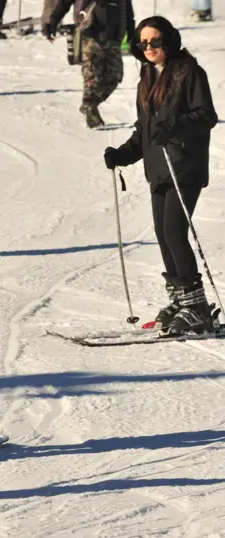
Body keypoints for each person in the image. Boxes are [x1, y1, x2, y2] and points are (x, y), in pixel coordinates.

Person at [104, 16, 218, 334]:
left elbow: (206, 115)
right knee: (163, 235)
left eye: (155, 41)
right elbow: (146, 131)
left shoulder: (188, 71)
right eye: (144, 43)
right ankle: (183, 301)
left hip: (184, 166)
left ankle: (196, 307)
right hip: (158, 168)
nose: (149, 47)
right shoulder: (148, 76)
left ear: (169, 39)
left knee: (174, 233)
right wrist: (123, 154)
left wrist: (177, 126)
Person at [44, 0, 135, 128]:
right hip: (90, 33)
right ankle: (90, 110)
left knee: (114, 77)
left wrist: (131, 31)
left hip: (114, 37)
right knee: (93, 74)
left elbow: (127, 9)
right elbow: (64, 2)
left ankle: (89, 105)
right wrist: (53, 21)